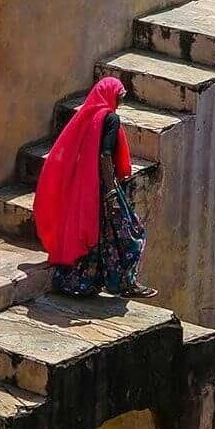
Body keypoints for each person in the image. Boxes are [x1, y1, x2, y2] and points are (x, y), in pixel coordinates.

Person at [33, 74, 155, 300]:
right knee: (130, 234)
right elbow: (105, 155)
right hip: (102, 186)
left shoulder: (87, 117)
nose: (120, 102)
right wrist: (110, 190)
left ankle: (83, 281)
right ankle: (127, 283)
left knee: (92, 235)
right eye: (120, 97)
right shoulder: (110, 119)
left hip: (84, 185)